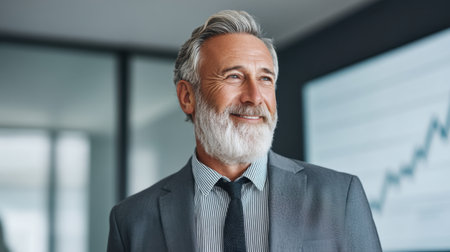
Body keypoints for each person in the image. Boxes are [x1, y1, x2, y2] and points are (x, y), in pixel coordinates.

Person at [107, 10, 382, 252]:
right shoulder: (132, 220)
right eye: (234, 76)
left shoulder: (340, 196)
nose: (254, 97)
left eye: (265, 79)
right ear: (187, 97)